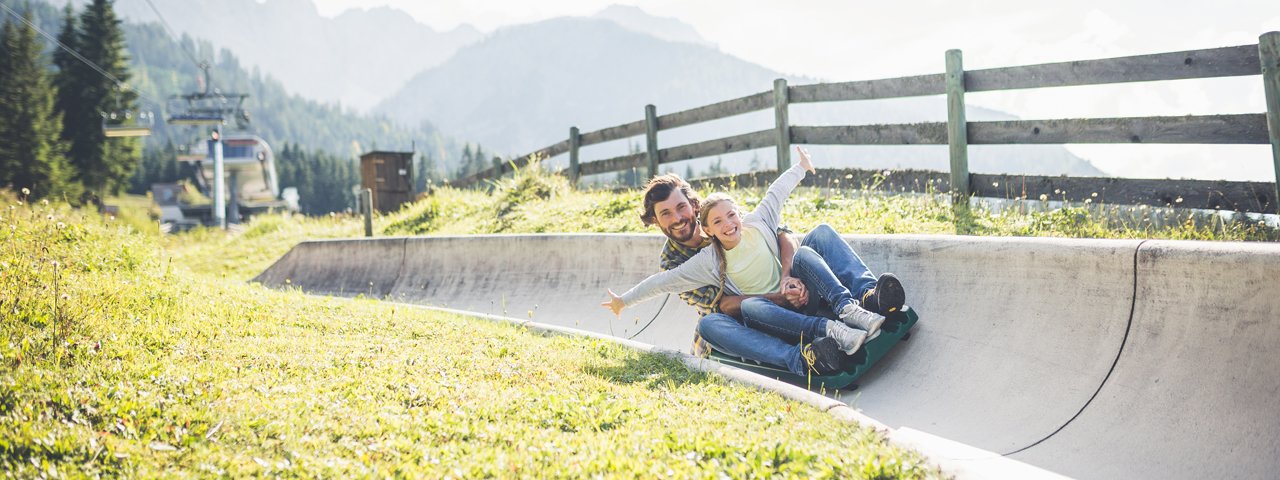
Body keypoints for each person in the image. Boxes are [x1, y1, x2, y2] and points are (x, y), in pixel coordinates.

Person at [604, 147, 905, 375]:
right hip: (755, 319)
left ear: (694, 207)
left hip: (786, 285)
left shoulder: (722, 214)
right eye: (665, 214)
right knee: (712, 324)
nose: (678, 218)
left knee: (820, 236)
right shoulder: (680, 263)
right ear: (655, 221)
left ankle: (869, 298)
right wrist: (624, 301)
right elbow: (724, 306)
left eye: (680, 208)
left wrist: (788, 275)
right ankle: (805, 358)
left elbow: (779, 230)